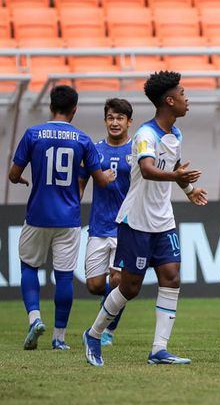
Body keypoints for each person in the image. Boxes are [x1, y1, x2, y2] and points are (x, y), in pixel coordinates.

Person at [82, 71, 209, 367]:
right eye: (182, 94)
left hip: (163, 219)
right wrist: (177, 176)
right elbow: (149, 168)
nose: (186, 99)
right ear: (169, 100)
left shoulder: (175, 134)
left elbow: (173, 165)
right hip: (136, 220)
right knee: (130, 287)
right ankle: (94, 333)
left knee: (172, 277)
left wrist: (188, 189)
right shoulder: (144, 135)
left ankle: (159, 349)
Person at [9, 85, 113, 351]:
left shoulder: (33, 134)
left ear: (50, 105)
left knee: (29, 267)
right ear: (74, 109)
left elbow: (12, 173)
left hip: (37, 216)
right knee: (64, 277)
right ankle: (59, 337)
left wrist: (20, 179)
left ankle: (34, 318)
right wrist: (110, 175)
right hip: (68, 219)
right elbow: (101, 180)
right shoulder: (82, 139)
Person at [78, 99, 134, 347]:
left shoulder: (137, 150)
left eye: (120, 118)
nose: (115, 122)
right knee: (94, 285)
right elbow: (81, 181)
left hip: (126, 226)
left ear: (128, 122)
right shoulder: (94, 150)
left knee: (118, 281)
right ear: (105, 120)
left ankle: (107, 329)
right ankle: (109, 309)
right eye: (111, 117)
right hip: (99, 226)